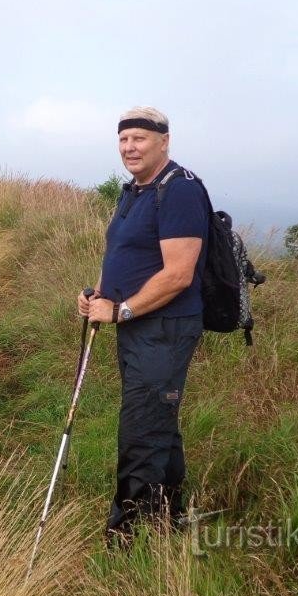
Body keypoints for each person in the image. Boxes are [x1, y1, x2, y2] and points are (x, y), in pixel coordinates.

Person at [77, 105, 210, 546]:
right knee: (157, 422)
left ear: (164, 141)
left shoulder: (180, 191)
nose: (129, 147)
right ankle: (168, 516)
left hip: (165, 328)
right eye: (123, 140)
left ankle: (127, 536)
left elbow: (178, 274)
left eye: (140, 139)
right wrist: (100, 294)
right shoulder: (134, 189)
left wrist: (122, 311)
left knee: (140, 430)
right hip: (138, 326)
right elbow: (121, 253)